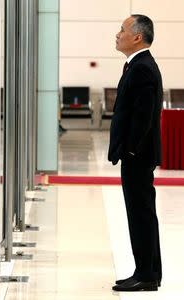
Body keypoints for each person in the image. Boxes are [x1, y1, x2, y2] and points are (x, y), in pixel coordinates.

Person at [108, 15, 162, 292]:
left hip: (137, 156)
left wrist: (128, 150)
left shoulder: (141, 68)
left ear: (137, 37)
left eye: (122, 30)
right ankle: (149, 271)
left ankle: (146, 275)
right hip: (137, 154)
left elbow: (143, 117)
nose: (117, 34)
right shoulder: (136, 65)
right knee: (143, 213)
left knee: (140, 214)